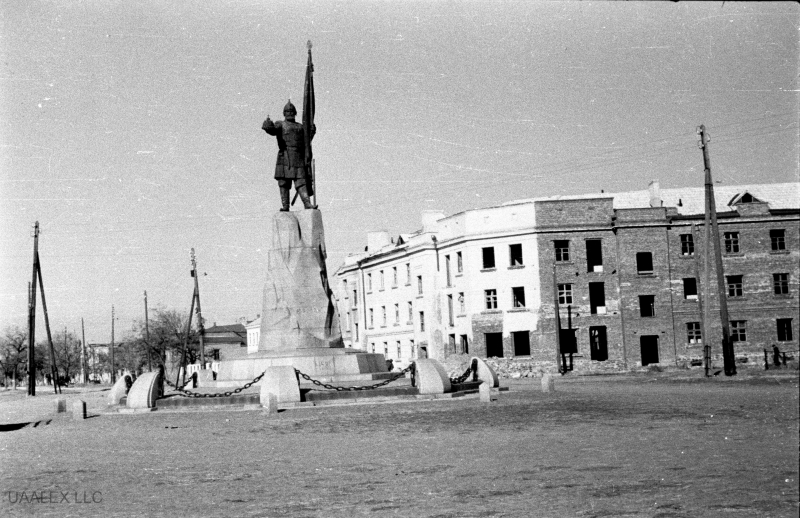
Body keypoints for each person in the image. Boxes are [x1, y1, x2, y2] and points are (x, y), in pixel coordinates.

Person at [262, 100, 316, 211]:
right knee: (284, 183)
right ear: (284, 113)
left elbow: (306, 141)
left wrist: (311, 132)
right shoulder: (280, 124)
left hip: (298, 157)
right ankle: (285, 206)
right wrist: (268, 126)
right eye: (287, 111)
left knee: (301, 182)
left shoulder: (301, 127)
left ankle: (307, 204)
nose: (290, 113)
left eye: (292, 111)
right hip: (285, 157)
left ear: (295, 113)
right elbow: (273, 130)